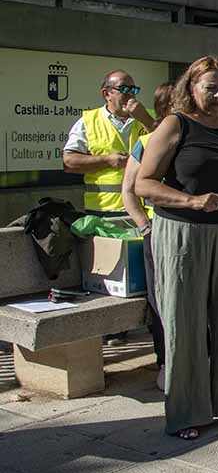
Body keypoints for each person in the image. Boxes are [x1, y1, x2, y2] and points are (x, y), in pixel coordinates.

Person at [134, 56, 218, 439]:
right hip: (185, 234)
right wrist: (192, 201)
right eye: (210, 87)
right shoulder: (177, 125)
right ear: (191, 89)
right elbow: (144, 184)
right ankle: (186, 412)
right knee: (185, 322)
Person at [65, 68, 160, 347]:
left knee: (145, 279)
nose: (130, 96)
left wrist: (144, 118)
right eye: (124, 90)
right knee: (110, 280)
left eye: (134, 90)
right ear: (107, 93)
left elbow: (166, 143)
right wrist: (106, 160)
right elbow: (69, 161)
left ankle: (150, 325)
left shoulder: (144, 118)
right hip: (104, 214)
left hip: (141, 213)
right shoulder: (88, 121)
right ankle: (113, 331)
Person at [120, 82, 174, 391]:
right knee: (161, 300)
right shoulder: (147, 141)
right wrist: (146, 226)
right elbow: (129, 191)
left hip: (197, 232)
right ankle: (166, 362)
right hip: (160, 234)